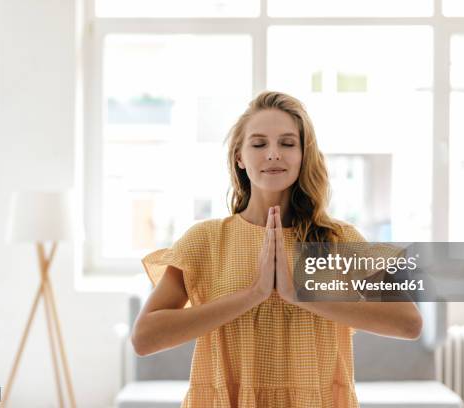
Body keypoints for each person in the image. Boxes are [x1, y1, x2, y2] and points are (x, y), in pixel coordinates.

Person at [131, 91, 422, 407]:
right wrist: (252, 294)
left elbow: (408, 322)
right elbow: (144, 338)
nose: (273, 154)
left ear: (302, 155)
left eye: (287, 143)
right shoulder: (205, 240)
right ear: (239, 157)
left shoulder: (338, 239)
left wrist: (298, 294)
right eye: (258, 144)